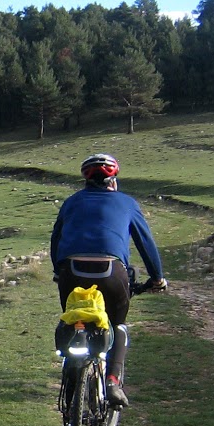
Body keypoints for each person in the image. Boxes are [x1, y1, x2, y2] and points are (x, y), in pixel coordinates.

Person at [50, 153, 167, 408]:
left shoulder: (71, 202)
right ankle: (112, 381)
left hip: (71, 270)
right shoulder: (126, 203)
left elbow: (56, 239)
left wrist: (58, 270)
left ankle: (71, 380)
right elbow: (145, 242)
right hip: (112, 271)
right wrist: (157, 277)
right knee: (118, 325)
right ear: (113, 180)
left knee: (75, 318)